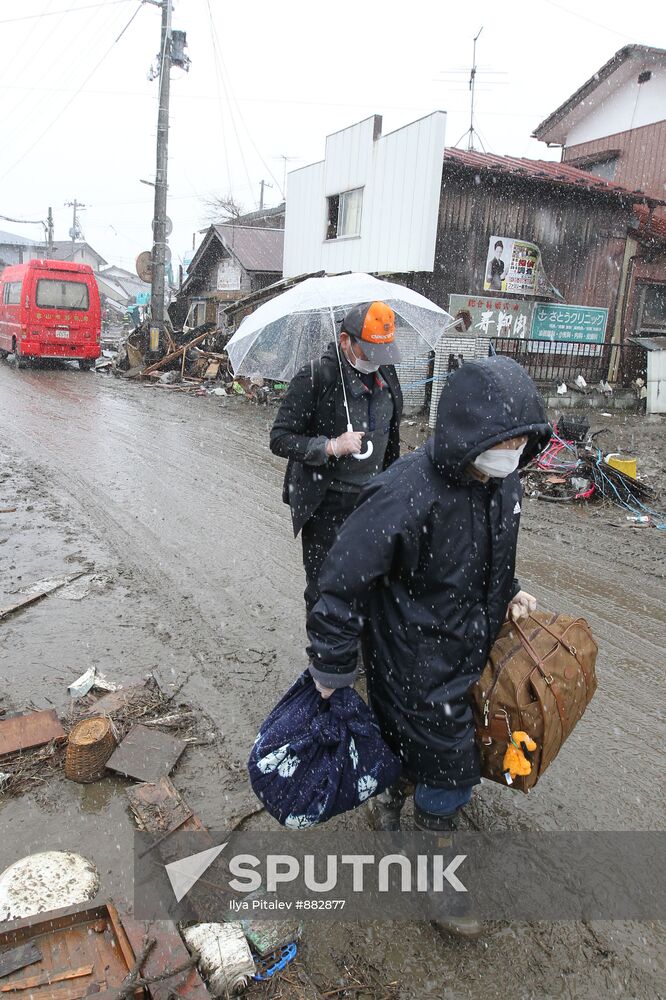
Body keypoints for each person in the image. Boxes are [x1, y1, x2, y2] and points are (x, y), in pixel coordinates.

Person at [306, 356, 551, 933]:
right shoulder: (404, 492)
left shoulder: (500, 481)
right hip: (412, 658)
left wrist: (510, 590)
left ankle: (393, 797)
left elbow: (489, 553)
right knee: (454, 771)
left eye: (522, 440)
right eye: (503, 439)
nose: (512, 451)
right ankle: (438, 878)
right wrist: (332, 669)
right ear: (470, 430)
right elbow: (339, 583)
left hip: (470, 645)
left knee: (419, 748)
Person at [270, 301, 403, 614]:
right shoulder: (317, 376)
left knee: (370, 583)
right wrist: (329, 446)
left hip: (373, 501)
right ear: (346, 341)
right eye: (370, 350)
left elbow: (392, 434)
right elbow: (280, 438)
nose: (377, 360)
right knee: (326, 587)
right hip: (328, 503)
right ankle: (326, 658)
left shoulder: (387, 372)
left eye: (384, 352)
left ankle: (359, 652)